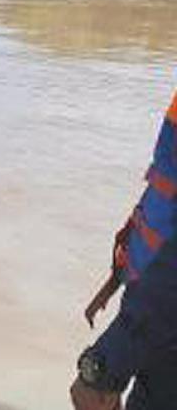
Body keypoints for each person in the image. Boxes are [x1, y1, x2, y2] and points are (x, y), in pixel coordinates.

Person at [72, 90, 177, 409]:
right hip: (153, 296)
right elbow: (161, 192)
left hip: (158, 305)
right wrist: (116, 278)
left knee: (90, 393)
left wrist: (100, 371)